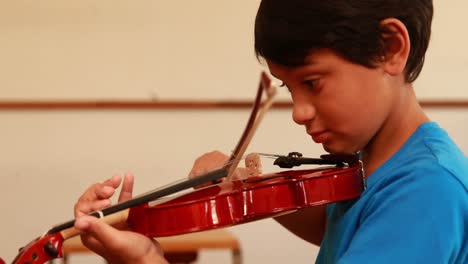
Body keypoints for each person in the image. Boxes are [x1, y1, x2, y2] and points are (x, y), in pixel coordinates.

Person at [74, 0, 468, 263]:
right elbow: (338, 228)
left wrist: (146, 259)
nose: (298, 112)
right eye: (287, 87)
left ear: (390, 48)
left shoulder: (426, 191)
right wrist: (246, 190)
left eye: (312, 82)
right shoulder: (375, 162)